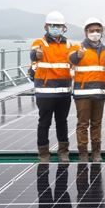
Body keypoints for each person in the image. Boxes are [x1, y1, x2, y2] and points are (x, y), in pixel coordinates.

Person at [31, 11, 77, 163]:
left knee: (62, 122)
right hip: (45, 92)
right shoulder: (40, 43)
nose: (55, 28)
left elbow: (74, 58)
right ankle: (43, 154)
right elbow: (34, 54)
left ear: (64, 27)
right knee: (44, 122)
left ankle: (63, 152)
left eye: (58, 25)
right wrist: (35, 55)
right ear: (46, 26)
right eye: (52, 25)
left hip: (64, 92)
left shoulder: (69, 44)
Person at [69, 17, 105, 162]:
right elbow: (70, 60)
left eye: (98, 30)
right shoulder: (78, 48)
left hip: (99, 94)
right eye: (92, 30)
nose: (95, 33)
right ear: (86, 32)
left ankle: (96, 153)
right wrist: (77, 56)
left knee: (97, 124)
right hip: (83, 94)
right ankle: (83, 154)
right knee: (83, 124)